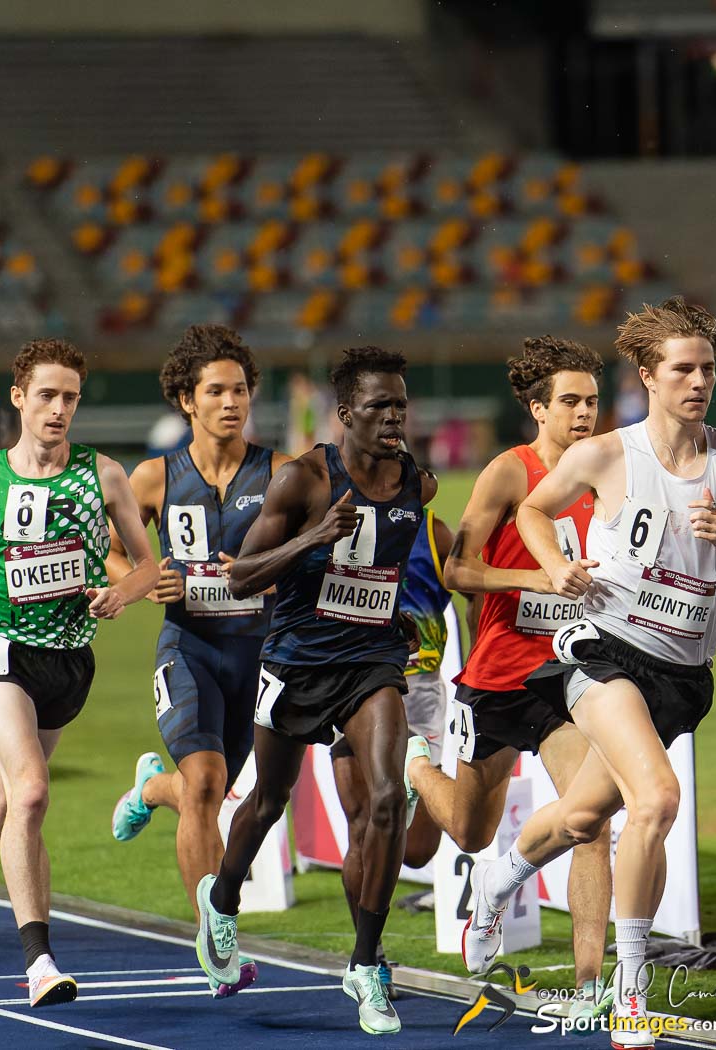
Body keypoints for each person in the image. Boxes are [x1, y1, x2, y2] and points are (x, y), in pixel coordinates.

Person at [461, 298, 716, 1048]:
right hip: (603, 651)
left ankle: (496, 880)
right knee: (657, 800)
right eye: (683, 369)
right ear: (648, 375)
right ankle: (632, 991)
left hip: (683, 672)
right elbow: (533, 514)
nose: (699, 381)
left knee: (584, 816)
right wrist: (556, 568)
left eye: (708, 368)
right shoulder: (607, 454)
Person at [0, 339, 158, 1008]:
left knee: (0, 812)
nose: (58, 409)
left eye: (70, 397)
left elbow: (148, 563)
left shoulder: (103, 474)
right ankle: (40, 961)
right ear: (18, 398)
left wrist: (122, 593)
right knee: (33, 792)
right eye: (46, 395)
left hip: (67, 659)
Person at [194, 346, 433, 1036]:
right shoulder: (304, 480)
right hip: (297, 663)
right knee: (269, 800)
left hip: (372, 665)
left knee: (388, 799)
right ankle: (225, 896)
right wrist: (316, 538)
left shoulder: (418, 483)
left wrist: (411, 610)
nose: (394, 417)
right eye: (380, 406)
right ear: (345, 412)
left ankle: (366, 964)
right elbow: (240, 576)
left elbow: (407, 554)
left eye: (401, 405)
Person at [407, 336, 614, 1018]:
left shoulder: (611, 472)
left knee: (590, 820)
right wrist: (541, 573)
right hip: (497, 674)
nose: (585, 413)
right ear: (537, 408)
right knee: (467, 832)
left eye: (592, 400)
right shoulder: (509, 472)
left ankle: (588, 987)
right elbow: (458, 571)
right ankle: (416, 766)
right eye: (571, 402)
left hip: (570, 675)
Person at [105, 325, 291, 996]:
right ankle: (216, 938)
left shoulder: (281, 473)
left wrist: (277, 575)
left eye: (240, 389)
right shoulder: (153, 477)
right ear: (187, 399)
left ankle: (151, 788)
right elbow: (107, 543)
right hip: (189, 649)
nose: (231, 402)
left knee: (203, 796)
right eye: (215, 390)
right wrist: (142, 577)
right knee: (208, 786)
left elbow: (310, 555)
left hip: (257, 656)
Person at [329, 505, 456, 997]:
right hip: (355, 684)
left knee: (421, 849)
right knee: (363, 825)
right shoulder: (341, 523)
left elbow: (474, 588)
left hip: (422, 691)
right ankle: (368, 958)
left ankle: (368, 952)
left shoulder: (434, 530)